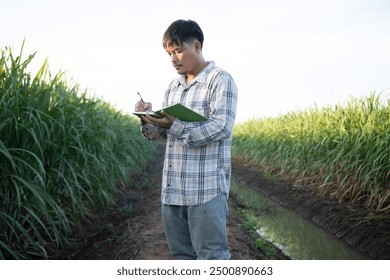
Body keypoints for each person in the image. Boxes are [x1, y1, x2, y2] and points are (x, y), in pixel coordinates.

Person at [134, 19, 238, 260]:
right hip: (173, 190)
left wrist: (176, 124)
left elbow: (221, 127)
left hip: (206, 191)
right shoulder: (173, 87)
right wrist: (148, 119)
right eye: (169, 53)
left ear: (197, 47)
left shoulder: (220, 80)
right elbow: (162, 135)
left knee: (212, 257)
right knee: (181, 257)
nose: (173, 58)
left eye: (179, 50)